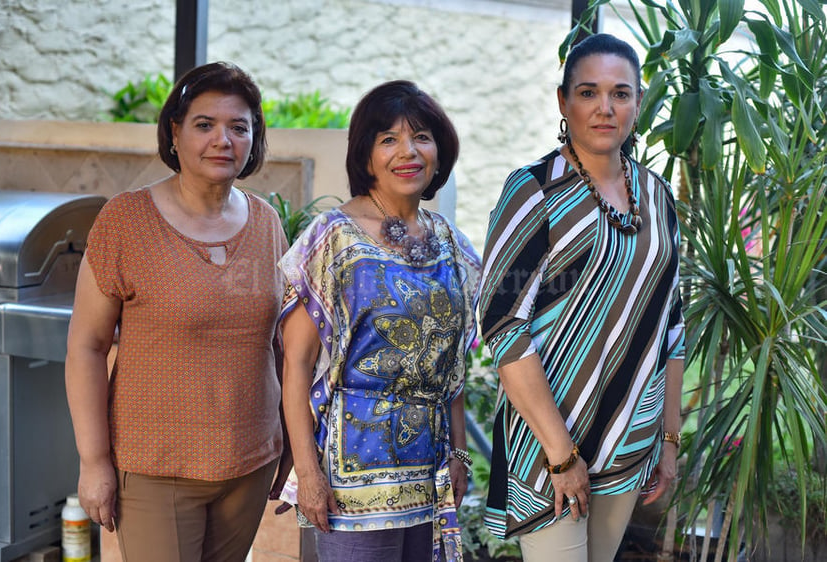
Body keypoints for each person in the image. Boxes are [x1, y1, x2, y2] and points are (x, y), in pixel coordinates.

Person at [65, 61, 290, 562]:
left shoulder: (268, 222)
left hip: (250, 462)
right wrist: (94, 461)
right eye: (204, 125)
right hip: (154, 467)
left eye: (239, 127)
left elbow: (277, 343)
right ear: (175, 131)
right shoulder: (126, 220)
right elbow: (87, 345)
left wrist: (291, 437)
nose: (222, 140)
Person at [478, 34, 685, 562]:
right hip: (548, 445)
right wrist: (561, 454)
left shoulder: (658, 196)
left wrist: (668, 438)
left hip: (628, 439)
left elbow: (672, 323)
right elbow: (503, 326)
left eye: (621, 94)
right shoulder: (534, 191)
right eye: (588, 92)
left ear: (638, 103)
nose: (605, 108)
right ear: (563, 102)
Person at [278, 80, 481, 562]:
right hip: (352, 477)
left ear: (439, 150)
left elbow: (452, 368)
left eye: (422, 137)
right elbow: (297, 365)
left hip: (429, 470)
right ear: (365, 155)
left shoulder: (451, 243)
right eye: (388, 139)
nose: (407, 152)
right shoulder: (333, 239)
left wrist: (457, 452)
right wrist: (307, 471)